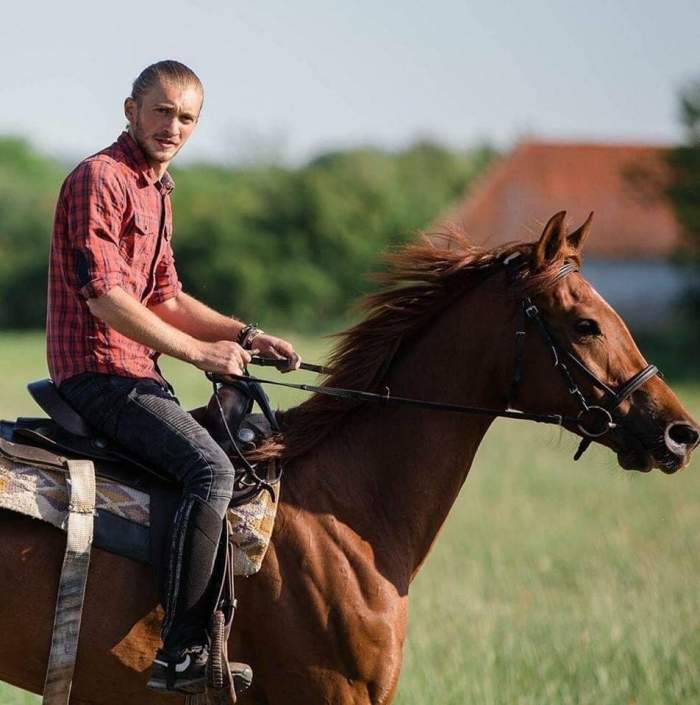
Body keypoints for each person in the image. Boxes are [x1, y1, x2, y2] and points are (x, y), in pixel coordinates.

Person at [45, 60, 300, 695]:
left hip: (138, 374)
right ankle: (180, 651)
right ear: (130, 109)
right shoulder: (98, 179)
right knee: (209, 470)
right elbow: (104, 295)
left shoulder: (157, 190)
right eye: (162, 111)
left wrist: (242, 336)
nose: (174, 126)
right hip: (98, 373)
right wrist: (197, 354)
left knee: (238, 454)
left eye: (187, 117)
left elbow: (165, 295)